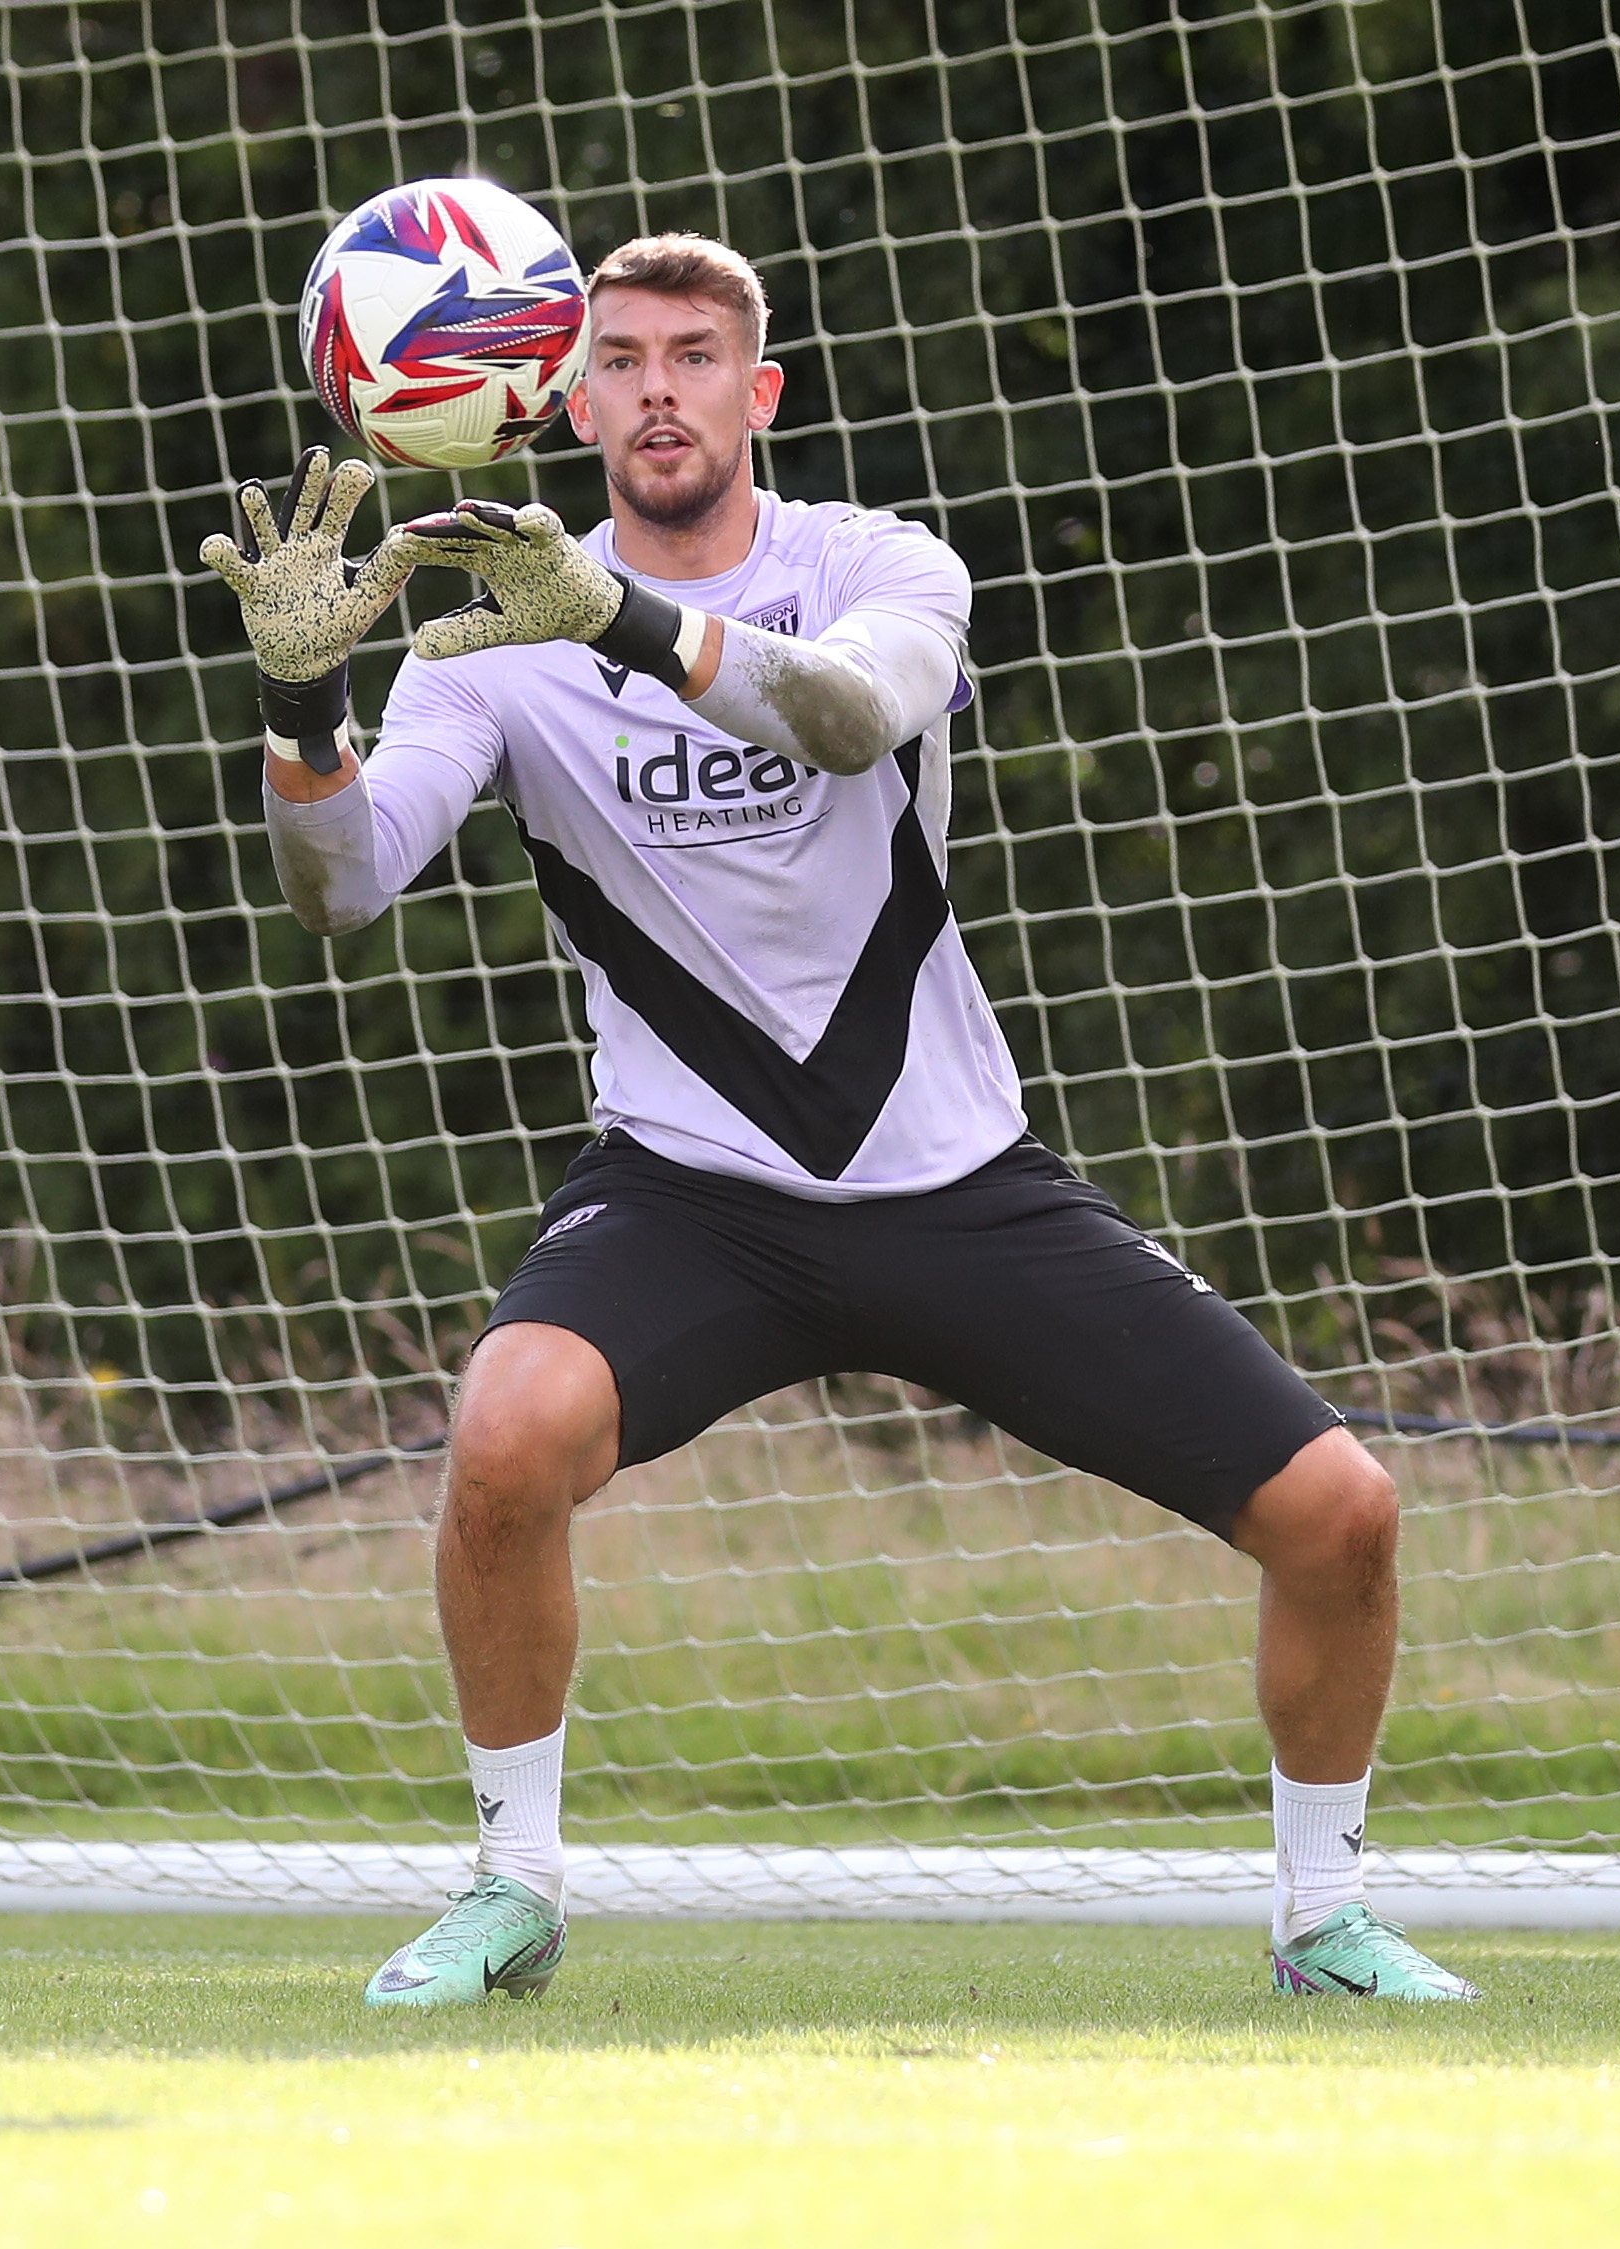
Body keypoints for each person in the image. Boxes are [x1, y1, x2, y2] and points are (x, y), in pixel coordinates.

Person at [200, 231, 1475, 2007]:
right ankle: (513, 1884)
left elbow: (854, 716)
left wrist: (625, 621)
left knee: (1342, 1510)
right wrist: (299, 705)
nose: (660, 387)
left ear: (758, 391)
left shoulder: (877, 563)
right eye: (625, 357)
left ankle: (1323, 1915)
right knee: (505, 1436)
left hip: (952, 1180)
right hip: (690, 1191)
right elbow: (342, 886)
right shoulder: (487, 646)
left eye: (697, 356)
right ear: (559, 398)